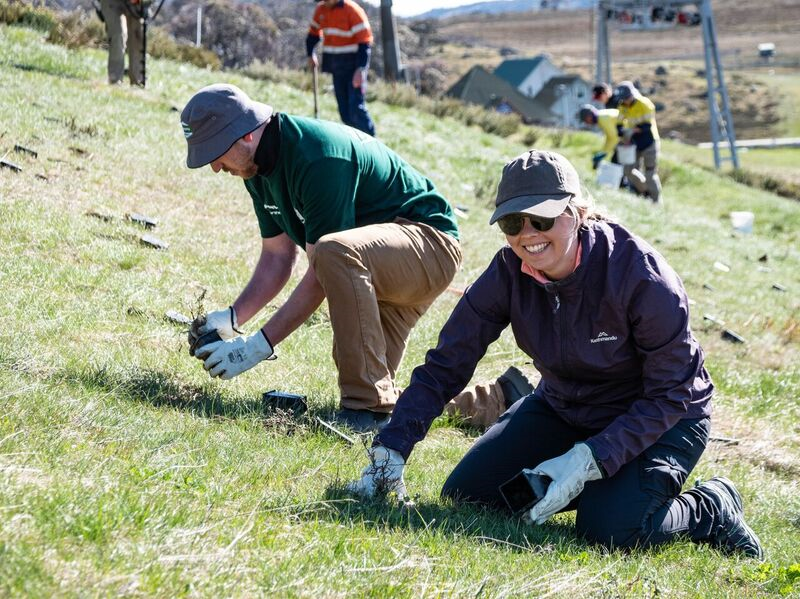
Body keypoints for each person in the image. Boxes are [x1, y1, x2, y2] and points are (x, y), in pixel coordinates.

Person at [348, 150, 764, 559]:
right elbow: (448, 363)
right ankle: (602, 486)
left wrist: (588, 460)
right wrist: (392, 447)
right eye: (513, 222)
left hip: (661, 419)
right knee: (470, 495)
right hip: (564, 406)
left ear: (577, 213)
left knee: (610, 529)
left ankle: (711, 506)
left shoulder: (642, 277)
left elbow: (670, 394)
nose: (527, 233)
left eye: (542, 219)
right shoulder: (508, 270)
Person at [179, 83, 531, 433]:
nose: (214, 167)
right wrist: (231, 318)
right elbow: (276, 257)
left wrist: (257, 346)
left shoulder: (316, 156)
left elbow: (324, 268)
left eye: (215, 153)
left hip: (427, 246)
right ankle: (499, 400)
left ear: (245, 136)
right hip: (373, 265)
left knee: (333, 255)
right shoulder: (255, 169)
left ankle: (362, 412)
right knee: (380, 397)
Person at [306, 0, 376, 136]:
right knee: (344, 111)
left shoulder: (352, 10)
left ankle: (372, 144)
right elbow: (313, 35)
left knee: (356, 108)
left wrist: (361, 69)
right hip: (336, 67)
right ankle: (355, 143)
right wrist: (310, 54)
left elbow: (365, 42)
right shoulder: (321, 10)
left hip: (354, 67)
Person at [616, 81, 662, 202]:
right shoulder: (622, 106)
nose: (626, 101)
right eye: (623, 99)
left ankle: (656, 201)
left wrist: (630, 130)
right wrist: (626, 133)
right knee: (628, 171)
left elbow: (646, 126)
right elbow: (619, 127)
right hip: (634, 144)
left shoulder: (645, 104)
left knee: (650, 175)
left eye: (627, 98)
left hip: (649, 142)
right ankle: (645, 192)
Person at [98, 0, 145, 86]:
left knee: (137, 36)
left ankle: (138, 81)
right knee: (117, 35)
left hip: (136, 4)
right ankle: (115, 80)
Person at [578, 104, 620, 170]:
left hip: (633, 135)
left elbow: (614, 137)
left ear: (589, 116)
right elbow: (609, 137)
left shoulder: (603, 119)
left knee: (618, 165)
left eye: (585, 120)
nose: (586, 123)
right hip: (627, 136)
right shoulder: (601, 116)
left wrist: (604, 153)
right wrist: (603, 151)